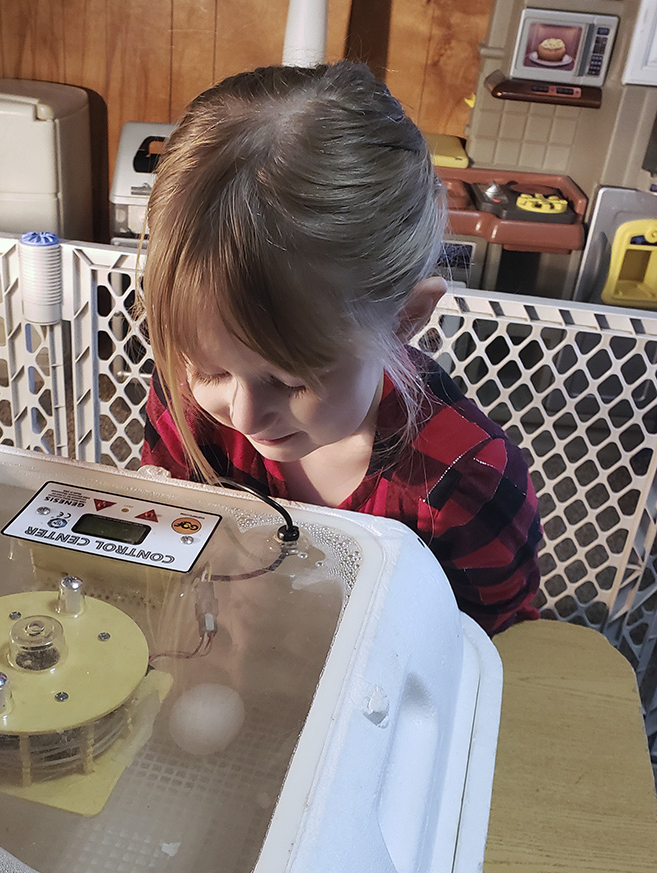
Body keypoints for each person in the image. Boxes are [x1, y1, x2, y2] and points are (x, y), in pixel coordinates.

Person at [139, 60, 541, 636]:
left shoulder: (462, 481)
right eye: (211, 370)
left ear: (405, 319)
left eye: (292, 380)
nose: (246, 414)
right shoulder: (186, 401)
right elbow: (168, 539)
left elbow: (491, 642)